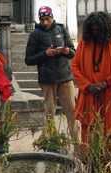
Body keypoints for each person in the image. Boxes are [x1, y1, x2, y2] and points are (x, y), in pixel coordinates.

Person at [25, 6, 78, 141]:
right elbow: (29, 59)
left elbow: (73, 51)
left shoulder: (61, 30)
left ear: (52, 17)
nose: (45, 22)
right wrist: (45, 54)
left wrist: (67, 52)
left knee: (72, 111)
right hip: (47, 79)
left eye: (47, 19)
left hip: (65, 76)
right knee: (50, 112)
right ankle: (53, 142)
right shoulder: (35, 34)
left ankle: (77, 144)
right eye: (42, 20)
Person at [71, 12, 111, 145]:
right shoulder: (84, 43)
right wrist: (88, 85)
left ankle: (108, 163)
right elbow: (75, 66)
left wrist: (106, 82)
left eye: (98, 30)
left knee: (109, 131)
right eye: (93, 30)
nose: (95, 33)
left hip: (109, 95)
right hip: (89, 94)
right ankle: (89, 163)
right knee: (88, 131)